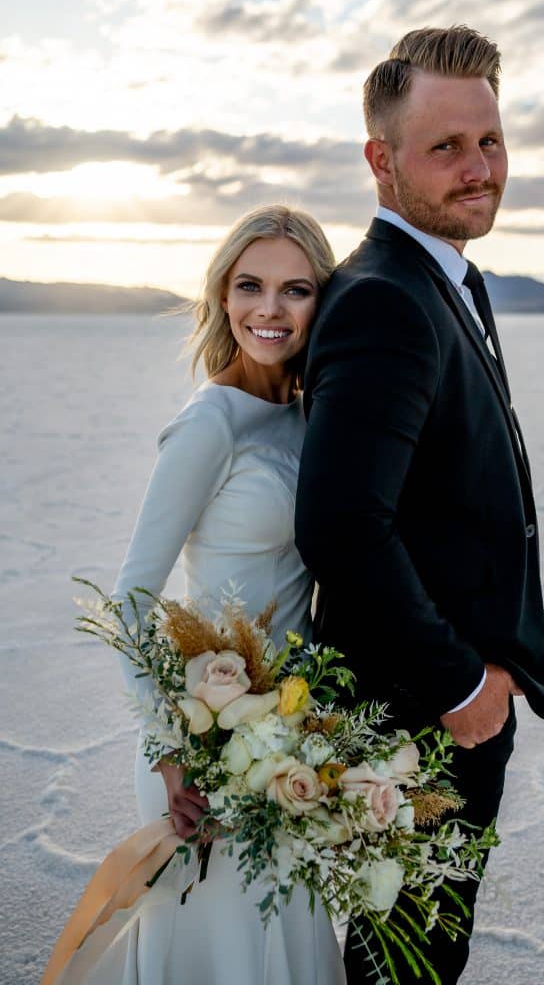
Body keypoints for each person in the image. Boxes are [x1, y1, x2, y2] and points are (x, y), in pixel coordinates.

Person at [295, 26, 544, 983]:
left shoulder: (441, 279)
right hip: (420, 724)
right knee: (407, 969)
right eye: (445, 146)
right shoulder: (383, 301)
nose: (478, 167)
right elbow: (339, 524)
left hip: (443, 713)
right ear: (381, 159)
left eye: (488, 141)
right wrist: (458, 686)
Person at [102, 205, 345, 984]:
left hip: (290, 736)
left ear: (322, 302)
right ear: (222, 295)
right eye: (249, 285)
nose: (268, 310)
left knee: (283, 947)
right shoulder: (211, 422)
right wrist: (175, 755)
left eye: (295, 289)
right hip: (204, 744)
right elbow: (132, 595)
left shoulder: (314, 417)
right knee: (217, 955)